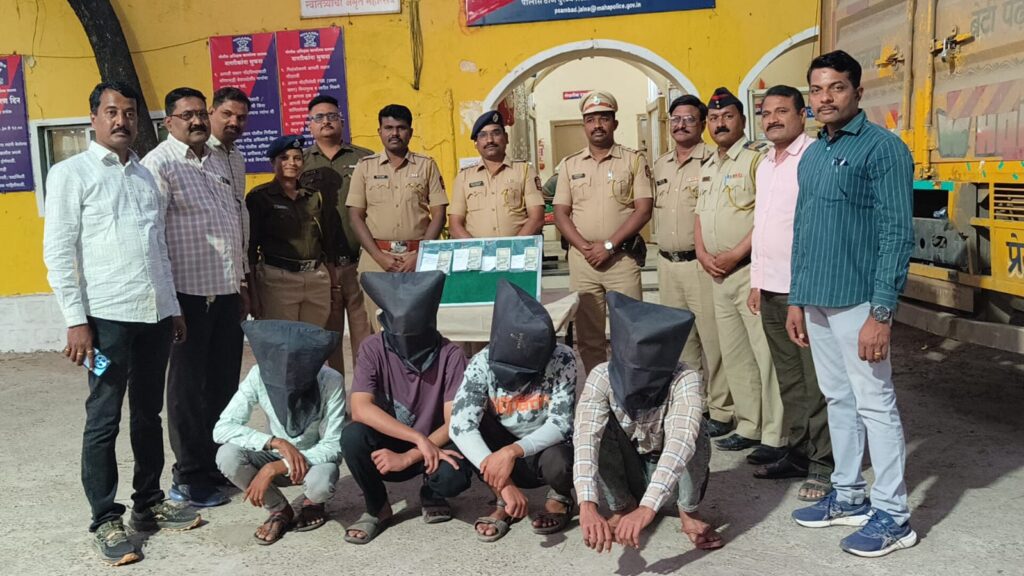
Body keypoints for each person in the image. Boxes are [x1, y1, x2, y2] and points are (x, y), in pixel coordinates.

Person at [43, 82, 199, 566]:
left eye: (129, 113)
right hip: (106, 320)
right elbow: (58, 252)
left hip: (153, 317)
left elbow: (158, 248)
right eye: (111, 112)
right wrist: (76, 321)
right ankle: (105, 518)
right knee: (103, 417)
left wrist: (172, 307)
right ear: (93, 117)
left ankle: (148, 502)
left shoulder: (146, 176)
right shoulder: (71, 173)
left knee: (148, 414)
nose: (121, 121)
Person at [788, 50, 917, 557]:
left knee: (875, 404)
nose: (825, 98)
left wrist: (881, 314)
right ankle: (848, 494)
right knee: (837, 399)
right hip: (818, 299)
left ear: (858, 92)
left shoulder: (883, 150)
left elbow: (896, 234)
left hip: (860, 302)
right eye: (817, 89)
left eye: (836, 87)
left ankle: (894, 516)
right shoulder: (814, 153)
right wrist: (797, 299)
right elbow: (803, 231)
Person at [142, 87, 247, 508]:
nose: (197, 121)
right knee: (187, 390)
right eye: (187, 115)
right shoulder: (159, 164)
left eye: (201, 113)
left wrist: (241, 282)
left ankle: (215, 465)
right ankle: (188, 475)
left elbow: (233, 224)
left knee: (222, 385)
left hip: (225, 291)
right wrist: (168, 304)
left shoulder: (218, 161)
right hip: (186, 296)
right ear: (169, 122)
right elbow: (152, 238)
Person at [574, 292, 723, 553]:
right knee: (595, 425)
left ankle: (688, 510)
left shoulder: (684, 377)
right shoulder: (601, 376)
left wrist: (647, 508)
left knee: (695, 428)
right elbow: (585, 439)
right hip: (630, 469)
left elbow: (680, 443)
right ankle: (622, 505)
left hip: (673, 477)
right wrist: (587, 504)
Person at [746, 85, 833, 501]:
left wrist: (801, 289)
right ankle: (798, 452)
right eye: (766, 113)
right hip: (771, 288)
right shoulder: (765, 163)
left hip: (804, 289)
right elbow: (763, 226)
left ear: (802, 115)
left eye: (782, 111)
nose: (773, 119)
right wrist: (756, 280)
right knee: (789, 380)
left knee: (816, 382)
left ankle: (824, 464)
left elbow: (814, 229)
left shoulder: (814, 158)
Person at [342, 271, 473, 544]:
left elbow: (454, 421)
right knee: (352, 436)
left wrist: (411, 455)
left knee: (454, 475)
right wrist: (416, 438)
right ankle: (377, 506)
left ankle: (433, 492)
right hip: (393, 443)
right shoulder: (372, 348)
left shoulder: (451, 355)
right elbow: (360, 408)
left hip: (435, 445)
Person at [694, 87, 785, 465]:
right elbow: (700, 216)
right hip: (717, 275)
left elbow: (766, 216)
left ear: (742, 120)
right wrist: (702, 253)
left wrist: (735, 254)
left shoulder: (756, 160)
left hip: (748, 271)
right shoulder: (708, 165)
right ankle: (749, 425)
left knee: (766, 356)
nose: (720, 124)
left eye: (727, 116)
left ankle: (776, 434)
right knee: (735, 355)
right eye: (714, 118)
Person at [450, 280, 576, 542]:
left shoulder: (563, 358)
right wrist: (504, 485)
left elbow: (561, 423)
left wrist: (513, 451)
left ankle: (560, 496)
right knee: (473, 432)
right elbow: (460, 426)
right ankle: (502, 500)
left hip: (544, 448)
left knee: (561, 461)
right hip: (501, 446)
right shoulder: (481, 362)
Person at [213, 320, 345, 545]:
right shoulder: (258, 375)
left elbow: (334, 445)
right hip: (273, 452)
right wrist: (276, 442)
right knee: (227, 455)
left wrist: (277, 467)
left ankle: (313, 504)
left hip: (313, 459)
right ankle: (279, 509)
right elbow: (223, 428)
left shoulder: (331, 380)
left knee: (321, 484)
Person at [553, 91, 653, 373]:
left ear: (614, 123)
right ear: (583, 125)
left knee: (630, 332)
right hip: (583, 262)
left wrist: (609, 246)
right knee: (588, 336)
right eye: (590, 119)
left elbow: (643, 209)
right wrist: (585, 247)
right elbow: (560, 213)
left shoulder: (633, 160)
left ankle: (628, 389)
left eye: (604, 118)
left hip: (621, 259)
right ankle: (598, 389)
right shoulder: (570, 165)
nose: (597, 125)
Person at [652, 94, 732, 439]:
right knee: (681, 343)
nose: (681, 125)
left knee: (713, 341)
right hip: (667, 265)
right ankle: (693, 405)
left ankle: (722, 409)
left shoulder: (713, 160)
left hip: (701, 264)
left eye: (688, 119)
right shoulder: (660, 165)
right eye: (675, 119)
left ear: (701, 124)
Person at [347, 104, 448, 331]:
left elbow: (439, 214)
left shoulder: (427, 166)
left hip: (418, 259)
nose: (394, 133)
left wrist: (420, 253)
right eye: (388, 128)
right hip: (376, 260)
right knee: (380, 330)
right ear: (380, 131)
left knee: (419, 327)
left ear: (410, 132)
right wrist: (379, 257)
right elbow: (355, 216)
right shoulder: (365, 167)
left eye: (401, 128)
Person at [301, 94, 374, 376]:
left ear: (342, 121)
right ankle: (335, 398)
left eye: (332, 116)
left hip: (359, 262)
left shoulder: (364, 158)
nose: (326, 121)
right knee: (328, 342)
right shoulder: (300, 162)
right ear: (310, 124)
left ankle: (366, 395)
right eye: (318, 117)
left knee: (366, 338)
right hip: (322, 269)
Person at [247, 135, 338, 327]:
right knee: (283, 340)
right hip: (278, 280)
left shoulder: (314, 197)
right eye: (284, 158)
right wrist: (253, 293)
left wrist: (333, 285)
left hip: (315, 279)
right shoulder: (259, 197)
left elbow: (327, 243)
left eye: (297, 158)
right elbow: (251, 249)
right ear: (273, 162)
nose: (292, 163)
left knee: (312, 339)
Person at [448, 110, 545, 239]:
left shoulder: (525, 171)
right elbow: (455, 225)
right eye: (483, 135)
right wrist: (477, 248)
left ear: (506, 138)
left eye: (496, 133)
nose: (490, 140)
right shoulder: (464, 177)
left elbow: (537, 218)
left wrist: (513, 247)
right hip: (476, 251)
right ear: (476, 144)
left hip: (517, 250)